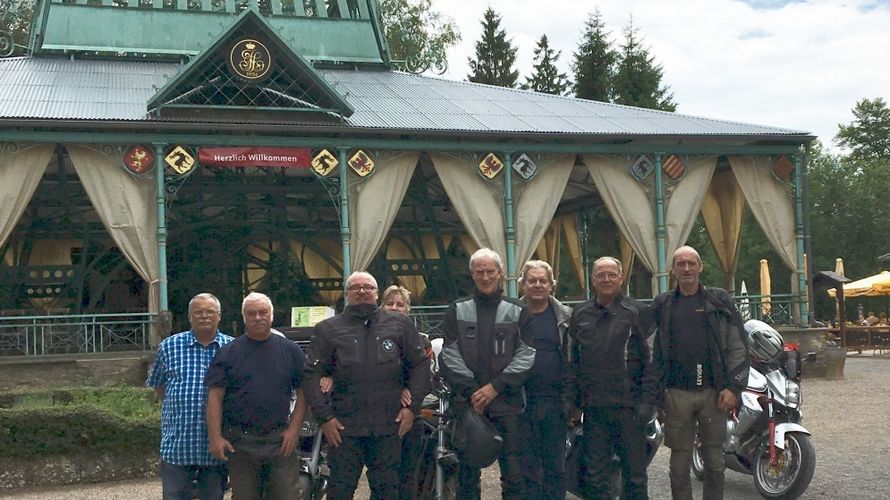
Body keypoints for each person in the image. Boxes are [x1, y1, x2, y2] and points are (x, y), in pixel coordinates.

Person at [304, 272, 431, 499]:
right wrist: (324, 418)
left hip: (389, 426)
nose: (361, 291)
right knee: (340, 490)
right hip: (343, 428)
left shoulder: (400, 324)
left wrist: (412, 409)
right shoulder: (327, 329)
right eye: (355, 288)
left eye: (367, 287)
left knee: (387, 490)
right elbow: (312, 374)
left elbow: (420, 365)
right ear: (346, 294)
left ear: (376, 293)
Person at [651, 246, 749, 500]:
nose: (686, 269)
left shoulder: (719, 301)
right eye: (680, 264)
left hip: (713, 392)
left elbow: (739, 345)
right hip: (676, 393)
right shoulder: (662, 304)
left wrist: (734, 387)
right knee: (678, 465)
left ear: (700, 267)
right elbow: (650, 348)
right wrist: (655, 392)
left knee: (715, 462)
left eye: (690, 263)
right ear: (672, 269)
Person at [438, 247, 535, 500]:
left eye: (490, 271)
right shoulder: (457, 310)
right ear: (472, 274)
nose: (485, 276)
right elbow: (448, 353)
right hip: (468, 405)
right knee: (467, 477)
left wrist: (496, 387)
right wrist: (473, 391)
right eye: (479, 272)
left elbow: (527, 354)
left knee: (514, 474)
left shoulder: (518, 311)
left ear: (500, 273)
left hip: (508, 404)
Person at [566, 257, 655, 500]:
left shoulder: (638, 312)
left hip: (631, 408)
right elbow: (573, 362)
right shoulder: (580, 313)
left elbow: (651, 362)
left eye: (611, 274)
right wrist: (573, 403)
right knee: (595, 478)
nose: (606, 279)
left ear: (621, 277)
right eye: (601, 275)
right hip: (594, 410)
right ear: (593, 280)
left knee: (635, 476)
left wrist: (648, 403)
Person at [205, 292, 307, 500]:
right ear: (244, 317)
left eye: (263, 312)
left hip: (280, 441)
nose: (258, 317)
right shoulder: (228, 353)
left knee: (288, 496)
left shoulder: (291, 351)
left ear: (272, 315)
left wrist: (294, 430)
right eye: (252, 313)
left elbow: (304, 393)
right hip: (240, 442)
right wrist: (215, 437)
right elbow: (215, 397)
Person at [146, 293, 234, 500]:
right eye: (198, 312)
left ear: (219, 316)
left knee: (213, 496)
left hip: (215, 445)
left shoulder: (232, 348)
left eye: (210, 311)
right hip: (179, 442)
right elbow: (158, 385)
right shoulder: (169, 346)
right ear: (189, 317)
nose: (204, 316)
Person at [517, 260, 572, 500]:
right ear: (523, 285)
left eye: (542, 280)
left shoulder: (566, 316)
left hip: (555, 402)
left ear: (552, 285)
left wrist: (573, 400)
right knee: (526, 467)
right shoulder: (511, 315)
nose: (537, 284)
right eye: (532, 280)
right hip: (520, 402)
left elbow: (574, 359)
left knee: (556, 468)